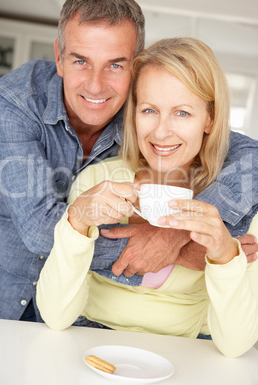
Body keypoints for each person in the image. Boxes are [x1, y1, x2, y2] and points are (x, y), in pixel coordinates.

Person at [0, 0, 257, 323]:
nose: (96, 85)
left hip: (76, 317)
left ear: (135, 64)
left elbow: (248, 156)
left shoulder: (145, 114)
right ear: (59, 57)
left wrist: (173, 233)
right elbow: (40, 230)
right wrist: (188, 252)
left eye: (115, 65)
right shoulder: (12, 104)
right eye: (81, 61)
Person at [36, 37, 258, 358]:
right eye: (149, 110)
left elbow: (236, 346)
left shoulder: (241, 203)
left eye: (182, 113)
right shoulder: (99, 180)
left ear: (209, 118)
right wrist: (76, 222)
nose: (161, 132)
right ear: (133, 113)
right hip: (89, 344)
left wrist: (224, 256)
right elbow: (55, 318)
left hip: (187, 354)